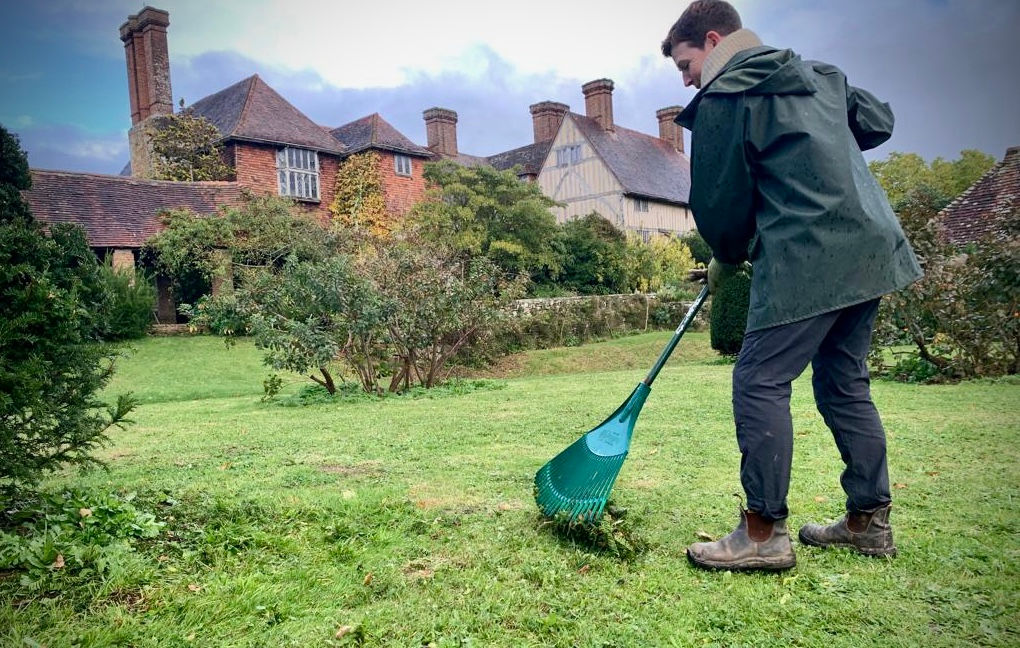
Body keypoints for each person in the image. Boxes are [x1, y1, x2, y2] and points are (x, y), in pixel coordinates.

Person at [661, 0, 923, 571]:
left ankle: (761, 533)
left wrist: (727, 257)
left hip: (809, 255)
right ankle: (866, 523)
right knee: (842, 381)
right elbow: (878, 121)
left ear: (713, 41)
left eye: (685, 64)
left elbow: (720, 205)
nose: (686, 79)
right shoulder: (820, 76)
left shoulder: (727, 97)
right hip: (869, 249)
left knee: (759, 379)